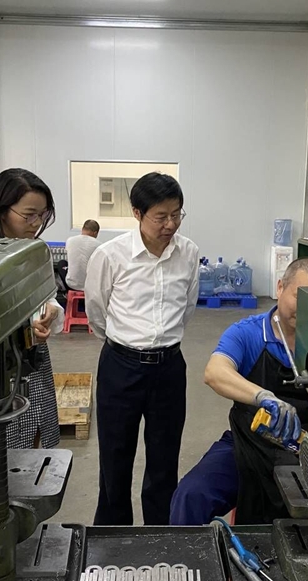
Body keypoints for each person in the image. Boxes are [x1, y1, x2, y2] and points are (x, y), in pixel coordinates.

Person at [169, 258, 308, 526]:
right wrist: (263, 396)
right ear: (280, 287)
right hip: (248, 445)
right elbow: (215, 372)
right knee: (191, 496)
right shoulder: (249, 333)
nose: (306, 309)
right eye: (299, 297)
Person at [84, 172, 199, 526]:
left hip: (169, 368)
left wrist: (162, 341)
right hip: (121, 367)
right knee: (115, 457)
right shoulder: (110, 255)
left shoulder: (188, 253)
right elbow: (96, 311)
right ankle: (112, 533)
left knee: (165, 457)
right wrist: (126, 344)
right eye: (161, 216)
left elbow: (187, 306)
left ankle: (159, 532)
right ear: (137, 213)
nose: (170, 225)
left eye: (176, 214)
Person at [0, 168, 64, 449]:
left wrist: (50, 312)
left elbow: (48, 297)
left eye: (42, 215)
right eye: (29, 215)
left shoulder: (35, 249)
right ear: (3, 210)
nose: (36, 223)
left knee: (37, 429)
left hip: (32, 356)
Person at [61, 219, 101, 291]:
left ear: (82, 229)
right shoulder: (98, 245)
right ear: (95, 233)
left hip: (71, 285)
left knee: (62, 263)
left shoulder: (70, 240)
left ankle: (66, 292)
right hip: (90, 287)